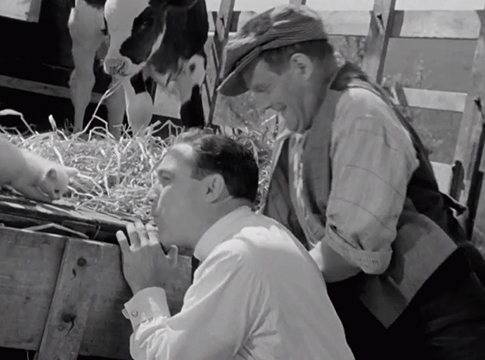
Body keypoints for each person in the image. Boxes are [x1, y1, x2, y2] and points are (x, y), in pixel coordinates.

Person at [215, 3, 485, 360]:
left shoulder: (359, 114)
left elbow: (349, 255)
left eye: (264, 88)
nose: (262, 104)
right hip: (386, 327)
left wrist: (262, 285)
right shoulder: (295, 136)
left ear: (300, 66)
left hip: (438, 324)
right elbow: (285, 238)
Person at [115, 129, 354, 359]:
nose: (150, 195)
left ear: (212, 189)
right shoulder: (265, 238)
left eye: (166, 180)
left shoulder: (239, 256)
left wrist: (147, 290)